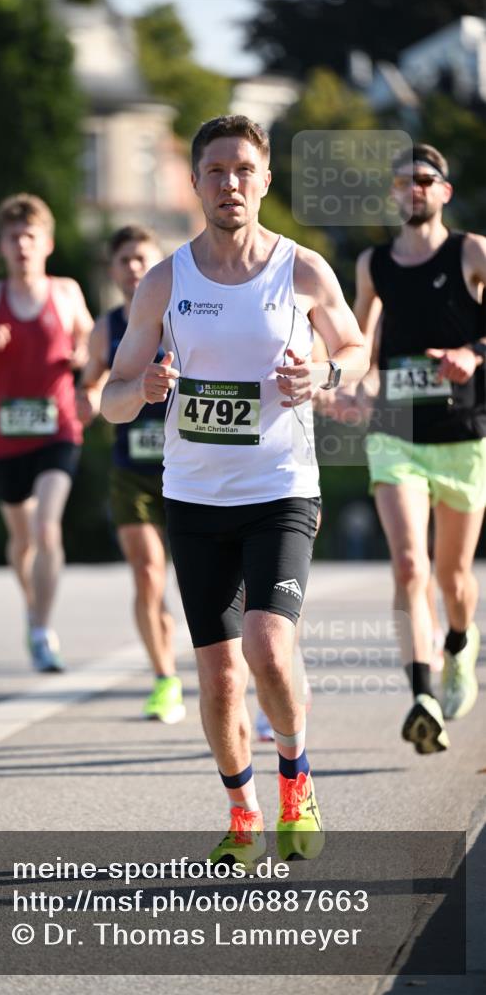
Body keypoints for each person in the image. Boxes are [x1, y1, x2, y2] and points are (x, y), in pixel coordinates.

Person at [101, 115, 368, 863]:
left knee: (267, 647)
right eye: (215, 170)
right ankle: (242, 813)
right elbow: (110, 397)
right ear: (194, 182)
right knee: (217, 678)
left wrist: (322, 374)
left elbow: (356, 349)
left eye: (243, 169)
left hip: (280, 487)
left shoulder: (301, 269)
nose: (229, 183)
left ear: (264, 180)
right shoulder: (164, 281)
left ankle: (295, 778)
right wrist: (143, 386)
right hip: (193, 496)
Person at [341, 144, 486, 753]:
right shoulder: (375, 263)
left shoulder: (471, 251)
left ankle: (460, 642)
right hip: (396, 431)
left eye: (426, 179)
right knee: (408, 564)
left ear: (443, 192)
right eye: (404, 181)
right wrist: (352, 387)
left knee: (453, 576)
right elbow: (359, 343)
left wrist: (471, 355)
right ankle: (422, 692)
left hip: (461, 433)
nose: (414, 189)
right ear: (394, 193)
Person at [0, 193, 93, 672]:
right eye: (13, 238)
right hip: (7, 438)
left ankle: (42, 631)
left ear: (46, 243)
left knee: (48, 527)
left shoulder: (66, 293)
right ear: (2, 247)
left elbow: (92, 341)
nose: (22, 245)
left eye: (30, 236)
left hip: (58, 429)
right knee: (23, 542)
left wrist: (84, 358)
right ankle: (33, 607)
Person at [76, 225, 186, 723]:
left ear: (159, 264)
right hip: (132, 472)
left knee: (205, 579)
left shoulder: (182, 315)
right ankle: (165, 679)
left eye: (143, 258)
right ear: (114, 269)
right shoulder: (107, 325)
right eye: (125, 260)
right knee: (146, 574)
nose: (134, 268)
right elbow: (93, 379)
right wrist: (87, 394)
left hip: (188, 466)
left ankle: (227, 666)